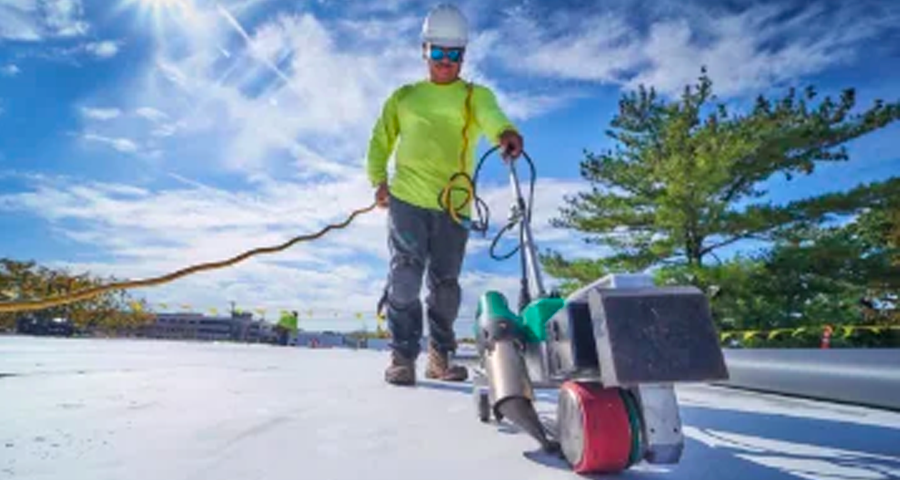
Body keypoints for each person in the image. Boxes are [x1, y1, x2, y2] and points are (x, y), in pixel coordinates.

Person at [366, 3, 523, 386]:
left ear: (463, 56)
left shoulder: (474, 95)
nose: (446, 62)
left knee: (445, 286)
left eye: (454, 54)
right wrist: (378, 180)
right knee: (404, 275)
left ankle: (440, 357)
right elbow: (380, 139)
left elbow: (492, 118)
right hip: (406, 199)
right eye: (438, 52)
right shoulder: (404, 97)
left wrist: (504, 133)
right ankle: (402, 356)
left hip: (454, 204)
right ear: (425, 50)